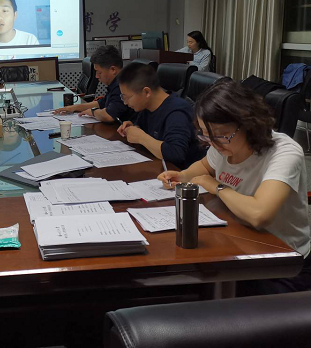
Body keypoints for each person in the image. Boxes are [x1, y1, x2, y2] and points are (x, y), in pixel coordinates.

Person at [158, 80, 310, 295]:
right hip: (238, 241)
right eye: (205, 134)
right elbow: (205, 166)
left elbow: (259, 214)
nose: (213, 143)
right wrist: (182, 175)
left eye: (220, 134)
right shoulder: (222, 144)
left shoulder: (284, 152)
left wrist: (216, 187)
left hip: (283, 261)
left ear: (248, 124)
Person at [117, 63, 205, 169]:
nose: (125, 102)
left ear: (146, 92)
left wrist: (141, 137)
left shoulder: (177, 113)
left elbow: (176, 153)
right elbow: (144, 128)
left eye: (126, 97)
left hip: (180, 173)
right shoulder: (147, 106)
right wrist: (133, 128)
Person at [53, 46, 133, 123]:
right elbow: (101, 103)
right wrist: (75, 107)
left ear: (113, 70)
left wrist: (93, 112)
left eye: (99, 72)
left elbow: (109, 116)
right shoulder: (115, 83)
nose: (96, 76)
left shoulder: (122, 86)